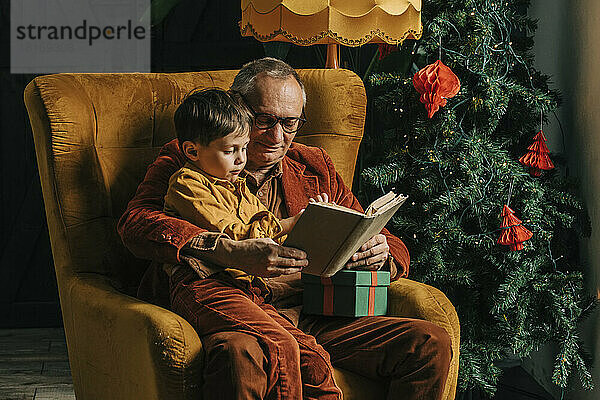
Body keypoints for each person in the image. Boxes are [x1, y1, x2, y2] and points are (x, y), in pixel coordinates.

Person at [118, 57, 452, 400]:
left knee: (429, 344)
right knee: (240, 355)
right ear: (240, 112)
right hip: (239, 308)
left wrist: (380, 252)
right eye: (264, 120)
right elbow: (136, 223)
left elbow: (381, 235)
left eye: (290, 122)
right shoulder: (193, 155)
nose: (277, 136)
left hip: (316, 310)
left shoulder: (314, 165)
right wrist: (225, 251)